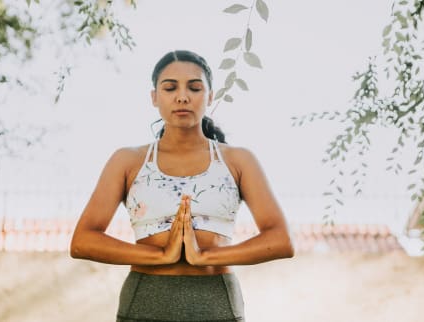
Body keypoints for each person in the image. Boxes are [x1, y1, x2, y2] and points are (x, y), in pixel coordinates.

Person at [70, 49, 294, 322]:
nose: (182, 96)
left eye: (195, 87)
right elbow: (82, 241)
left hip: (216, 301)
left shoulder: (238, 160)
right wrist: (160, 256)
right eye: (170, 87)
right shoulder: (127, 160)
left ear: (210, 96)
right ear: (154, 97)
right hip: (145, 299)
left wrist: (205, 256)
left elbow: (281, 240)